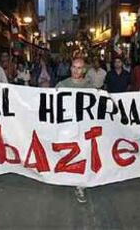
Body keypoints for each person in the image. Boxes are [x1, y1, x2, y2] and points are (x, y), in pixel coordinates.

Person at [56, 58, 94, 203]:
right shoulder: (62, 85)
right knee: (68, 153)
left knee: (82, 154)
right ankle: (68, 176)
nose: (76, 70)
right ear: (70, 68)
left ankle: (80, 185)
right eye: (74, 67)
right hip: (67, 127)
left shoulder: (90, 86)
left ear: (84, 70)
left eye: (79, 68)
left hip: (84, 127)